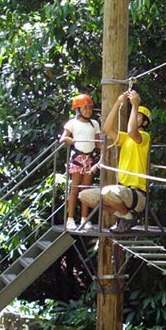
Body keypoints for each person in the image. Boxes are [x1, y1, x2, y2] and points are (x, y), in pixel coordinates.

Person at [78, 90, 151, 233]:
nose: (134, 116)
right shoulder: (124, 138)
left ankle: (127, 217)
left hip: (137, 194)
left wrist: (135, 105)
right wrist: (118, 102)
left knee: (107, 191)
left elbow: (132, 132)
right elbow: (106, 129)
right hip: (121, 192)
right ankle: (126, 216)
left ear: (145, 122)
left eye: (138, 116)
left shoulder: (144, 137)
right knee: (84, 196)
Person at [59, 93, 101, 231]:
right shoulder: (72, 123)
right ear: (78, 109)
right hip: (77, 158)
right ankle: (70, 219)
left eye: (89, 108)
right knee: (75, 188)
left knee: (86, 190)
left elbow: (97, 142)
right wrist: (68, 140)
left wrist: (108, 147)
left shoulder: (94, 124)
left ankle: (84, 219)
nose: (88, 111)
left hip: (89, 158)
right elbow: (62, 138)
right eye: (85, 108)